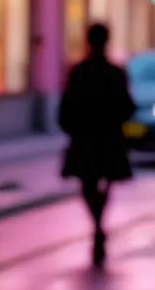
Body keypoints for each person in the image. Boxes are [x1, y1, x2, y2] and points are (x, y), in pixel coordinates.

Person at [58, 23, 136, 268]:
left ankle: (97, 225)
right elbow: (127, 106)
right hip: (108, 138)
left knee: (88, 184)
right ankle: (99, 224)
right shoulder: (115, 72)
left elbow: (66, 107)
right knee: (105, 183)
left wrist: (73, 129)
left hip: (85, 139)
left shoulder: (79, 71)